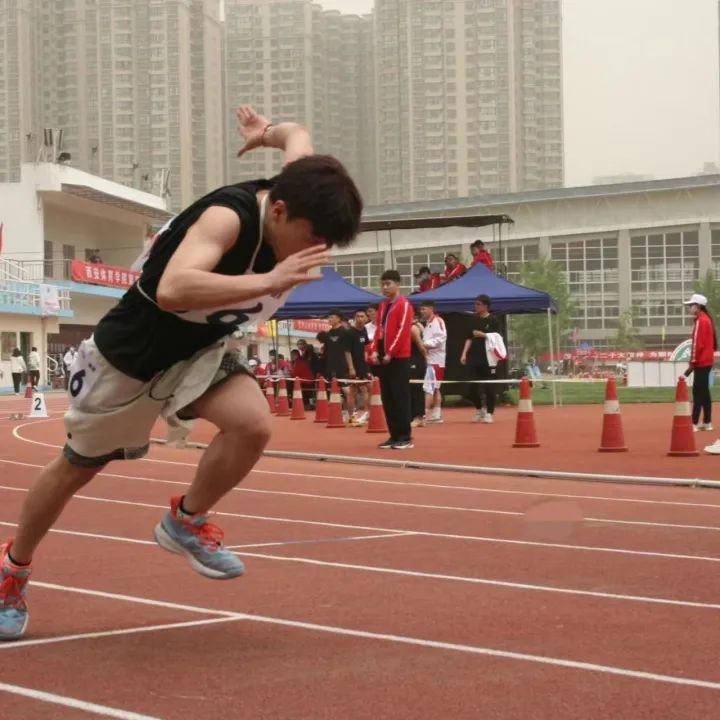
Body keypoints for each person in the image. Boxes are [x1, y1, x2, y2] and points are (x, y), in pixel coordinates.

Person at [0, 104, 363, 641]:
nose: (314, 254)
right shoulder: (227, 219)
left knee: (253, 425)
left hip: (198, 350)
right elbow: (174, 289)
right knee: (76, 469)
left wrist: (265, 133)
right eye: (310, 240)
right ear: (280, 211)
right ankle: (12, 571)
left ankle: (185, 521)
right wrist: (269, 281)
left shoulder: (301, 184)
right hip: (131, 356)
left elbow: (298, 134)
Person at [369, 270, 414, 449]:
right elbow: (378, 330)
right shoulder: (383, 305)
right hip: (383, 356)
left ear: (398, 284)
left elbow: (403, 331)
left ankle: (405, 436)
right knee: (387, 397)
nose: (385, 287)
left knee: (400, 396)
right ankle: (394, 435)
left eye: (388, 284)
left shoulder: (404, 305)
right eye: (383, 284)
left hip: (399, 358)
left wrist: (391, 353)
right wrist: (374, 350)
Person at [460, 294, 503, 424]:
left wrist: (484, 335)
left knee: (489, 387)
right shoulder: (473, 320)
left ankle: (489, 413)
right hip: (474, 357)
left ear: (486, 306)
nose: (476, 306)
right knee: (471, 387)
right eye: (475, 304)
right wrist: (464, 354)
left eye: (478, 304)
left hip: (489, 359)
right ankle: (479, 409)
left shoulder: (493, 320)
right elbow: (469, 338)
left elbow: (498, 338)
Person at [682, 293, 716, 432]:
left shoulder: (701, 321)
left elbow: (697, 344)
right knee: (704, 392)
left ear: (698, 306)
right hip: (706, 361)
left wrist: (692, 363)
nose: (689, 308)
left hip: (701, 362)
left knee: (698, 392)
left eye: (691, 305)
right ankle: (707, 422)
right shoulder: (706, 319)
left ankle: (694, 422)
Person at [325, 309, 356, 418]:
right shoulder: (328, 333)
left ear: (339, 319)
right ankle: (339, 414)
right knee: (334, 391)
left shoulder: (345, 332)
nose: (329, 319)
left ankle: (352, 414)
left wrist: (351, 367)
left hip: (343, 366)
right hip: (331, 366)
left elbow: (349, 351)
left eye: (332, 317)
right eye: (329, 317)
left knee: (347, 390)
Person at [419, 301, 447, 423]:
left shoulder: (438, 321)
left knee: (429, 388)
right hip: (430, 359)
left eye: (424, 309)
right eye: (421, 309)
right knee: (435, 388)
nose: (422, 311)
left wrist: (426, 345)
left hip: (436, 360)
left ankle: (423, 414)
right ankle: (437, 414)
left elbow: (441, 338)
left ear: (431, 308)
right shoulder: (427, 323)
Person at [348, 309, 371, 425]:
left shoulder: (364, 330)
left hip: (363, 365)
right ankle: (352, 415)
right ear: (354, 318)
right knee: (352, 390)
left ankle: (366, 413)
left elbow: (366, 346)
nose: (360, 319)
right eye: (358, 316)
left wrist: (367, 361)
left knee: (368, 388)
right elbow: (347, 351)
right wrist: (351, 368)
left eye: (362, 316)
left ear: (366, 318)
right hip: (353, 365)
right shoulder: (350, 332)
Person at [409, 317, 428, 427]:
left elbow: (421, 346)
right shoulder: (416, 326)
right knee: (410, 389)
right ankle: (413, 416)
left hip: (416, 361)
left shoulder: (413, 328)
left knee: (416, 388)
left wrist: (427, 360)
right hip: (411, 360)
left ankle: (419, 416)